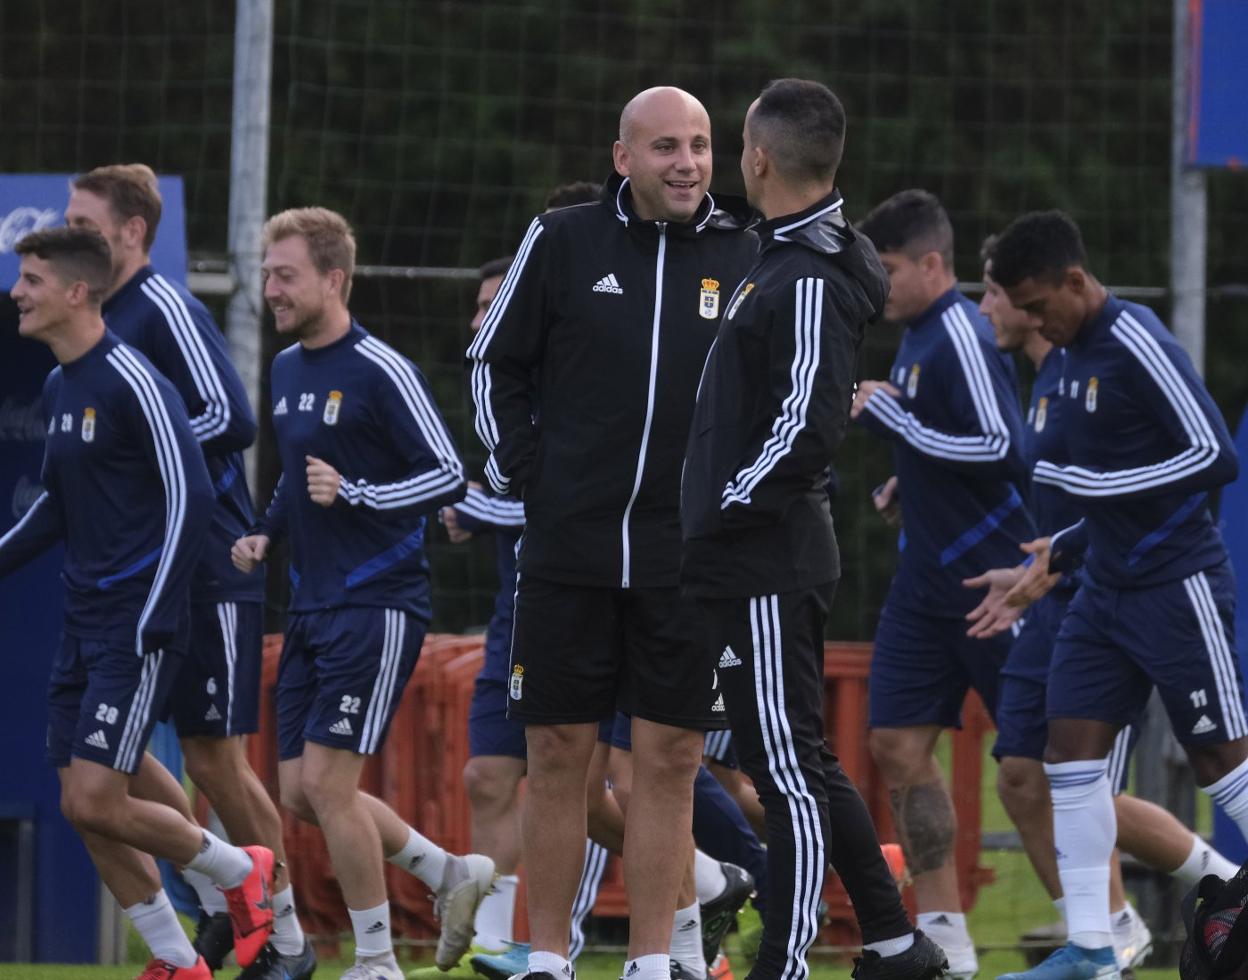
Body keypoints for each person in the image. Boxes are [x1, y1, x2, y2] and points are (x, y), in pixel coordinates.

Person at [466, 86, 758, 980]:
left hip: (686, 564)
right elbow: (492, 363)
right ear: (624, 157)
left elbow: (779, 395)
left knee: (668, 761)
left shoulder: (746, 252)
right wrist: (527, 472)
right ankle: (546, 958)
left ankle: (649, 964)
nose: (688, 163)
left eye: (702, 146)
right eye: (666, 146)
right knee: (558, 756)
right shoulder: (562, 241)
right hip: (568, 554)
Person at [682, 78, 946, 980]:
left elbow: (806, 425)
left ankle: (784, 962)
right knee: (797, 757)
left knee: (785, 768)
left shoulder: (807, 274)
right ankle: (893, 941)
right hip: (754, 553)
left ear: (757, 157)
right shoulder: (779, 253)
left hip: (764, 557)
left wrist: (720, 510)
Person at [979, 210, 1248, 980]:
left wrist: (1093, 487)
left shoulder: (1135, 338)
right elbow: (1103, 502)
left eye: (1037, 306)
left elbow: (1213, 452)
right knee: (1069, 756)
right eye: (1020, 310)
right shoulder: (1062, 361)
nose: (1033, 323)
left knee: (1219, 760)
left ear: (1075, 280)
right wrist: (1061, 551)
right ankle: (1094, 947)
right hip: (1102, 592)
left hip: (1176, 582)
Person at [63, 162, 315, 979]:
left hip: (210, 562)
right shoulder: (95, 318)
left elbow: (228, 416)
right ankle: (219, 904)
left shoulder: (165, 305)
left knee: (215, 761)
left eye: (86, 223)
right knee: (124, 757)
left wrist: (142, 452)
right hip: (146, 571)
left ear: (134, 232)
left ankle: (287, 943)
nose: (73, 236)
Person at [1, 227, 275, 980]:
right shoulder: (62, 386)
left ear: (77, 292)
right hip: (82, 620)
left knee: (95, 798)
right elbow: (54, 508)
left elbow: (192, 496)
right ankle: (175, 959)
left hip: (137, 619)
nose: (17, 293)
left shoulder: (135, 380)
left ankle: (238, 870)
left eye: (29, 280)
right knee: (79, 798)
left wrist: (157, 608)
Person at [230, 207, 493, 980]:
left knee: (324, 785)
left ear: (333, 280)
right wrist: (265, 535)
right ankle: (447, 873)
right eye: (269, 273)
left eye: (286, 275)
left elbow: (448, 475)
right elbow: (293, 477)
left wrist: (359, 494)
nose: (271, 289)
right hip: (310, 605)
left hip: (376, 602)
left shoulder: (381, 368)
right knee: (301, 795)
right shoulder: (285, 369)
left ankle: (377, 962)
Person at [850, 188, 1036, 978]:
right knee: (895, 743)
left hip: (992, 583)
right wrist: (907, 484)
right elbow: (952, 448)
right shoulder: (919, 334)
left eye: (885, 269)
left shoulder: (958, 331)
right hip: (926, 586)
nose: (876, 286)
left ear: (932, 265)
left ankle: (1111, 930)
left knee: (1036, 771)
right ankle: (946, 940)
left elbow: (1003, 445)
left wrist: (899, 428)